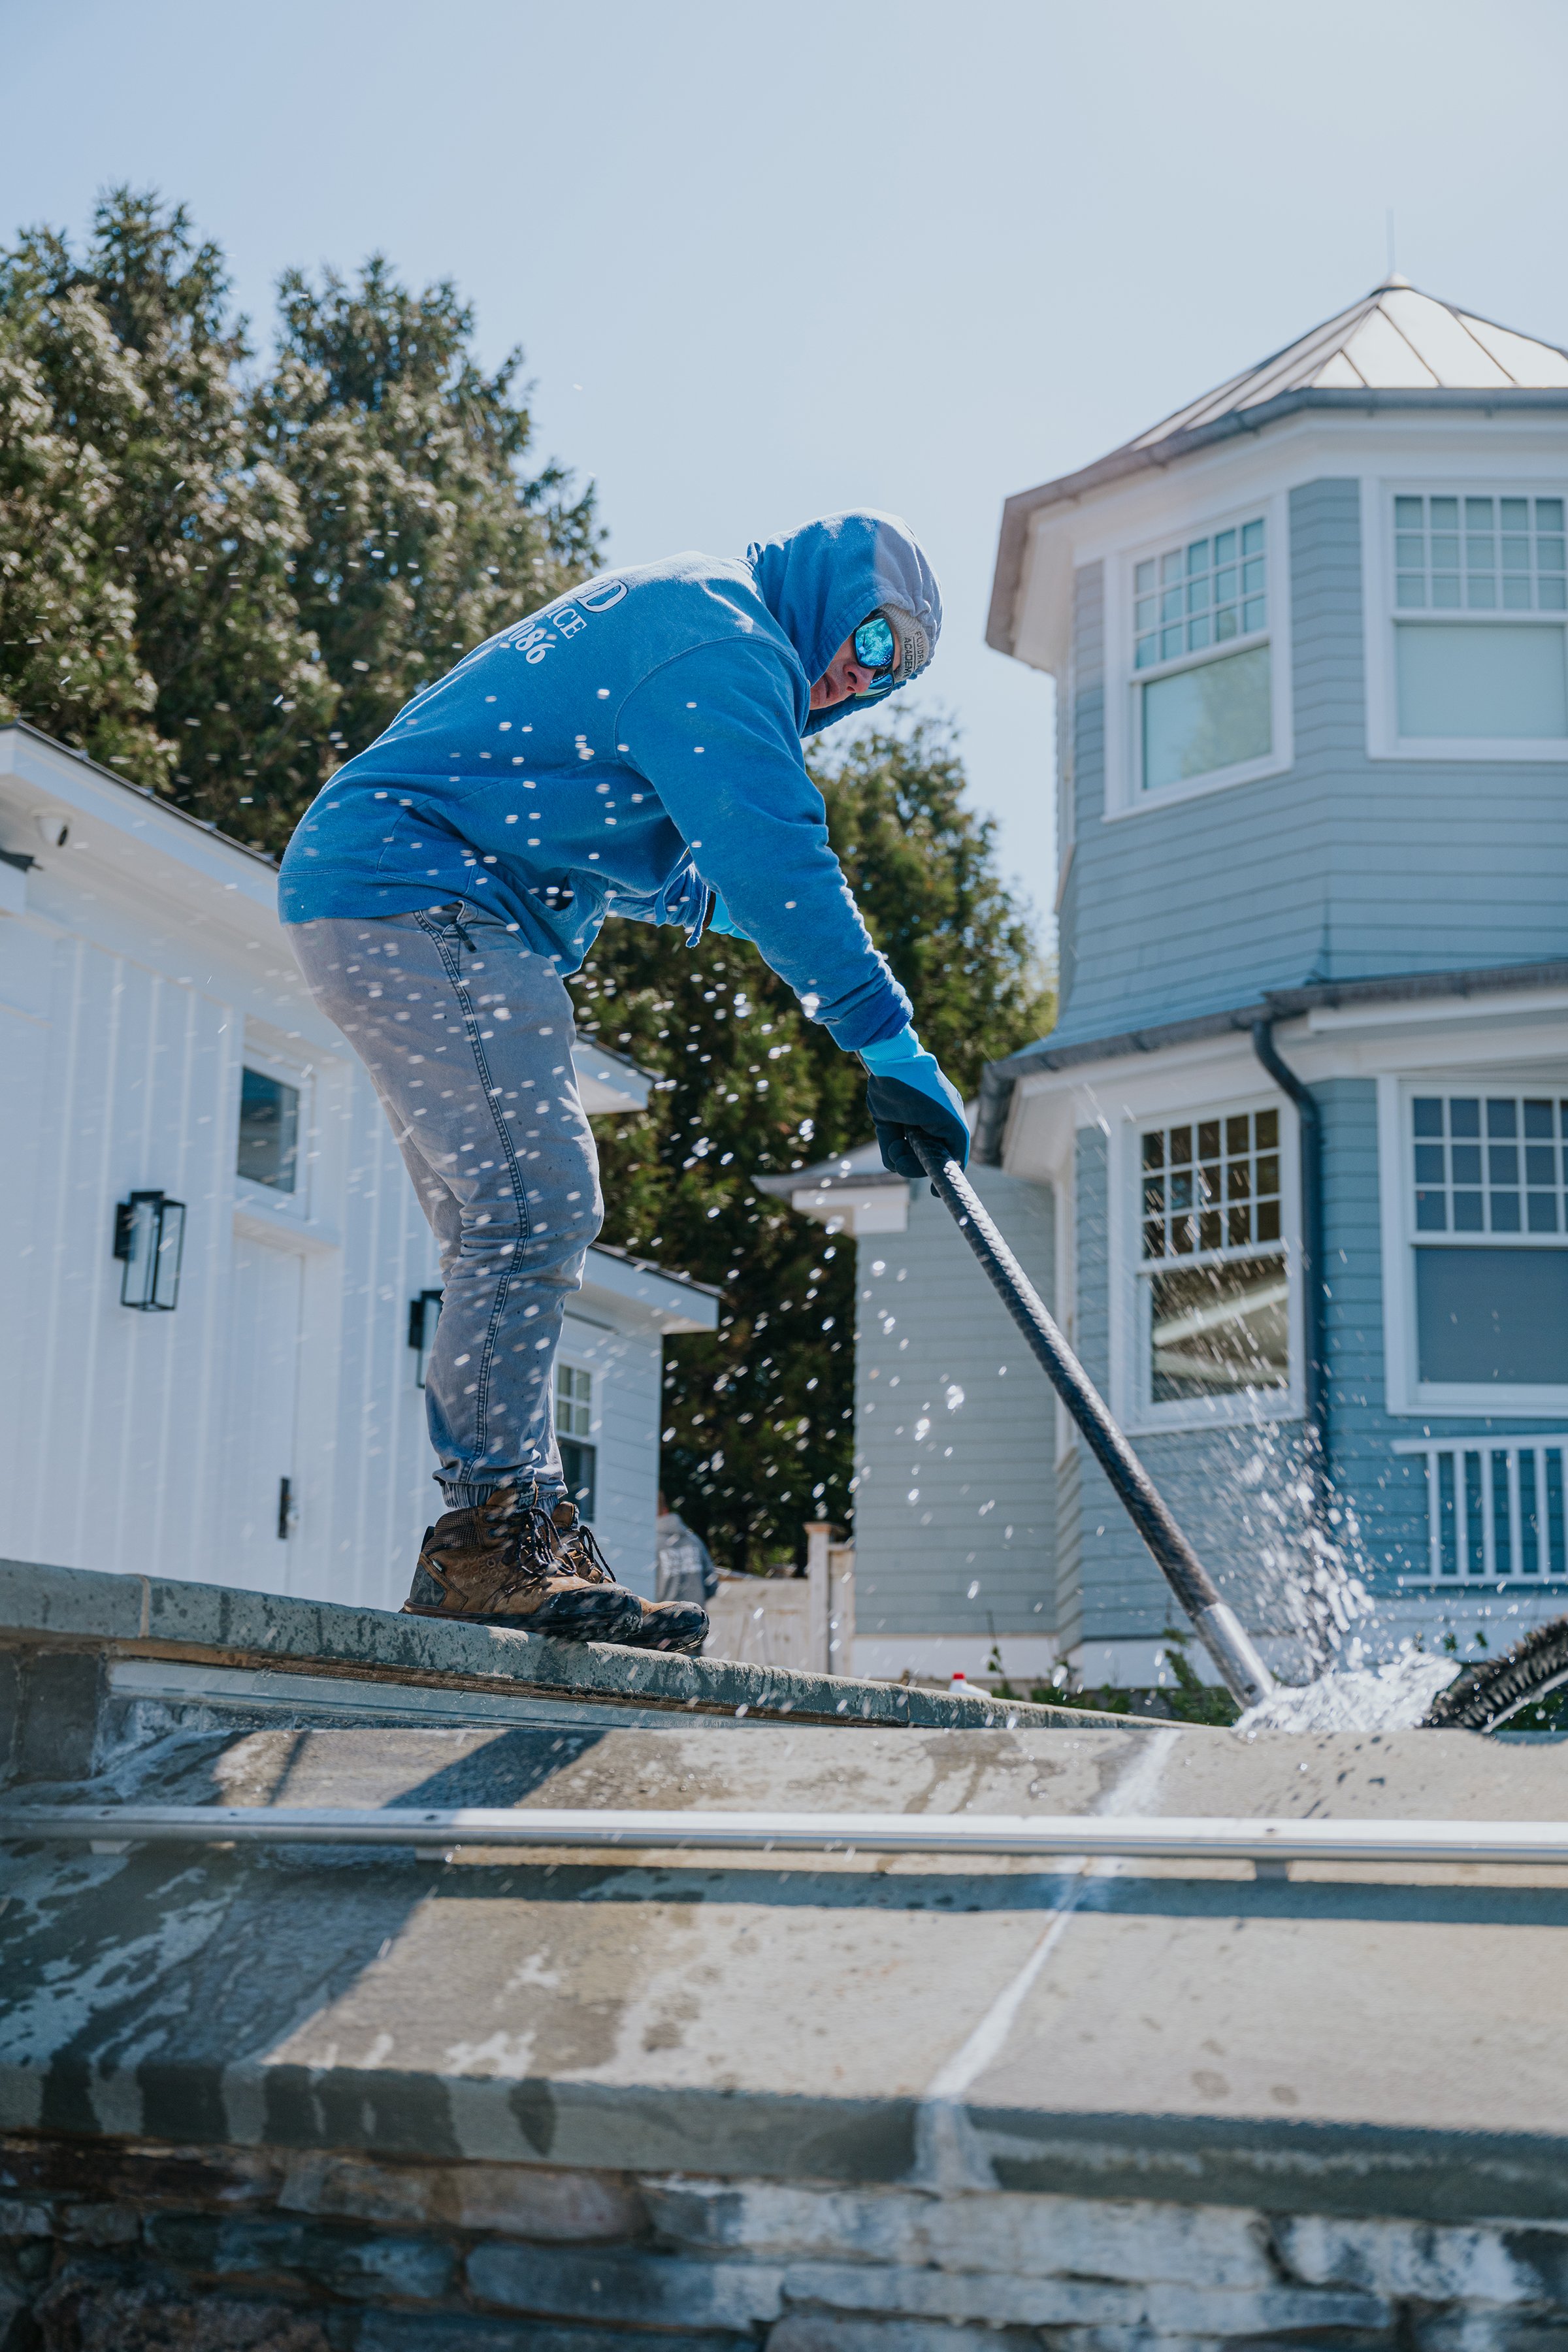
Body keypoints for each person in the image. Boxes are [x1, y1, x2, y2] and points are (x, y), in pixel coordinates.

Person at [278, 510, 968, 1652]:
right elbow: (773, 852)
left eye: (896, 673)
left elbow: (665, 851)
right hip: (414, 890)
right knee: (539, 1202)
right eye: (876, 636)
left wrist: (740, 905)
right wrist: (886, 1038)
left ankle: (528, 1527)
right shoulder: (728, 637)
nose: (865, 673)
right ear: (830, 588)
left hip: (401, 890)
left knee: (505, 1224)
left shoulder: (699, 622)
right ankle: (487, 1538)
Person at [655, 1494, 720, 1609]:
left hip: (661, 1621)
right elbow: (712, 1585)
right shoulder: (694, 1541)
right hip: (696, 1619)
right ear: (665, 1510)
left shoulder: (651, 1545)